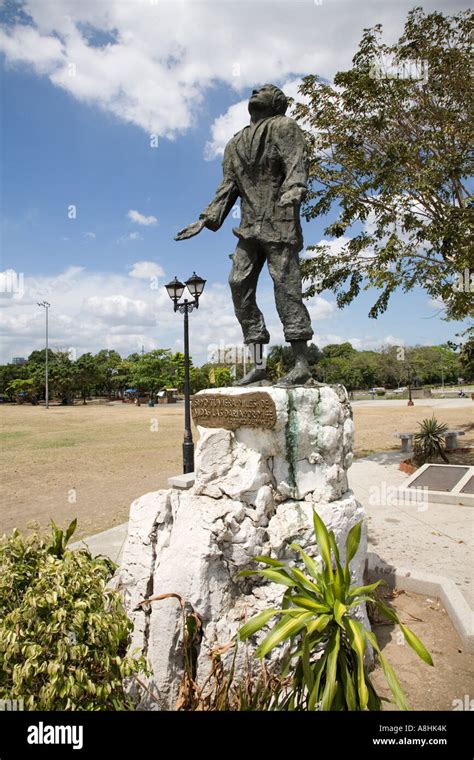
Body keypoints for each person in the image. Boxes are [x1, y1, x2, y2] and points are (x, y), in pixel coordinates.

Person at [175, 84, 313, 386]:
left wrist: (295, 188)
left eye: (264, 90)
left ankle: (301, 363)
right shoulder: (235, 143)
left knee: (286, 287)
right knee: (238, 284)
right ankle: (259, 365)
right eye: (254, 89)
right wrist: (205, 219)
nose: (255, 91)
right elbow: (228, 187)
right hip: (249, 227)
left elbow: (296, 164)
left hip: (280, 221)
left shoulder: (284, 126)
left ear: (277, 102)